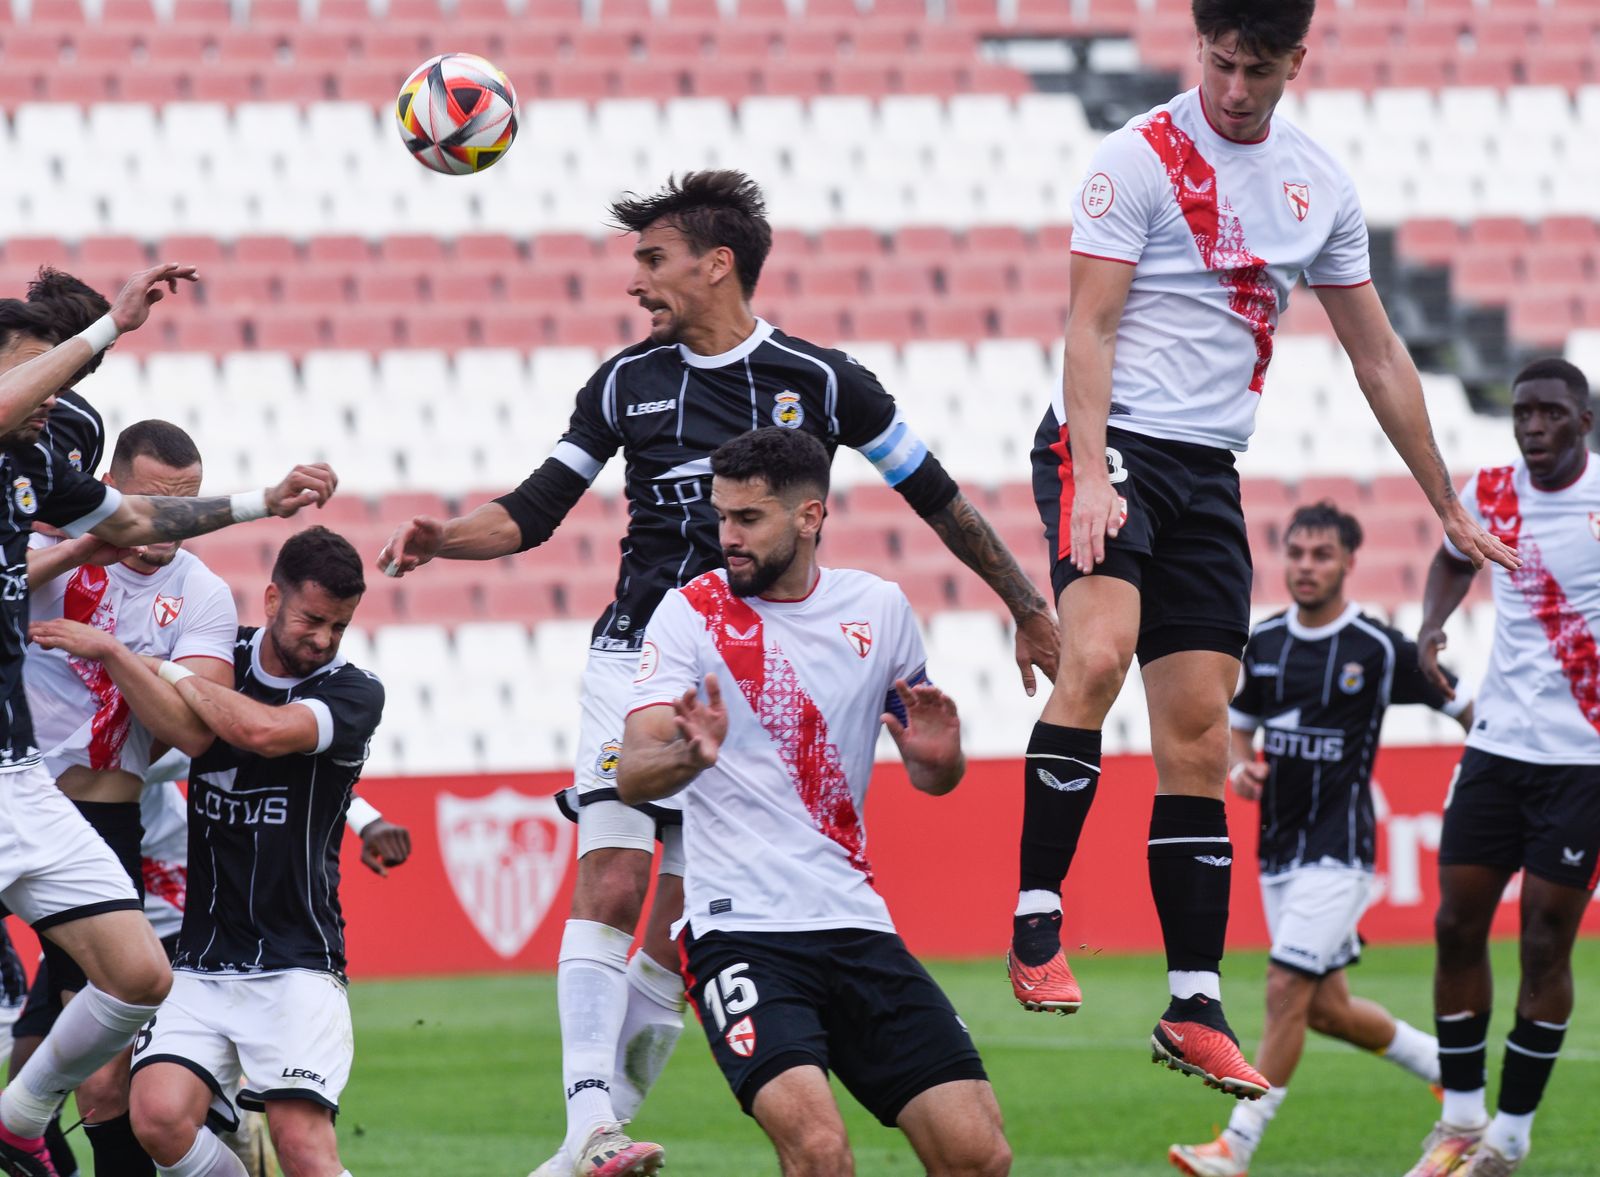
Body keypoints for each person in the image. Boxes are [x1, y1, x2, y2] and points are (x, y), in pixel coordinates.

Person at [374, 170, 1057, 1175]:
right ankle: (587, 1126)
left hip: (761, 679)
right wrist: (448, 539)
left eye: (652, 260)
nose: (635, 282)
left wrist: (1025, 601)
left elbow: (936, 494)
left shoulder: (822, 380)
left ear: (716, 262)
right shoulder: (624, 382)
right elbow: (533, 508)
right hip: (640, 651)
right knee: (611, 873)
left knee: (673, 930)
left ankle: (591, 1152)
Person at [1010, 0, 1516, 1100]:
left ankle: (1193, 1001)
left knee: (1194, 736)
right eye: (1219, 63)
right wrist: (1088, 472)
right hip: (1108, 443)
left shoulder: (1318, 188)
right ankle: (1034, 917)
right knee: (1095, 657)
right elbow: (1086, 328)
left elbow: (1376, 353)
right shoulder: (1135, 157)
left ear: (1295, 60)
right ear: (1201, 49)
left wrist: (1442, 498)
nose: (1234, 88)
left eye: (1257, 70)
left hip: (1206, 471)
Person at [0, 269, 340, 1177]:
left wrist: (266, 501)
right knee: (54, 1051)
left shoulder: (57, 487)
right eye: (37, 380)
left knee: (121, 1010)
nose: (55, 405)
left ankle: (30, 1120)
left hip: (57, 799)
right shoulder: (41, 521)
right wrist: (110, 326)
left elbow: (195, 727)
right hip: (27, 786)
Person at [618, 427, 1010, 1177]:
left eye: (748, 519)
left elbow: (933, 776)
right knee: (821, 1153)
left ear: (809, 517)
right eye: (721, 516)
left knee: (978, 1152)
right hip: (742, 931)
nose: (726, 536)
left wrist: (940, 760)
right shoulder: (688, 615)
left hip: (855, 922)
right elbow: (634, 772)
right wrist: (684, 755)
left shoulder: (881, 608)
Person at [1168, 502, 1469, 1176]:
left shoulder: (1380, 647)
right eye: (1297, 554)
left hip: (1342, 852)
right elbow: (1240, 725)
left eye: (1321, 555)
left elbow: (1466, 704)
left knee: (1284, 988)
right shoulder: (1266, 643)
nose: (1306, 566)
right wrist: (1242, 765)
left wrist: (1494, 775)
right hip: (1278, 852)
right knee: (1325, 1009)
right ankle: (1453, 1071)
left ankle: (1234, 1147)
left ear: (1348, 562)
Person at [116, 527, 383, 1177]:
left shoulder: (354, 692)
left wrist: (170, 669)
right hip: (204, 957)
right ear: (271, 599)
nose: (322, 640)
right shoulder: (218, 657)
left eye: (339, 626)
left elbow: (262, 731)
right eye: (312, 619)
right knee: (157, 1115)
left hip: (296, 959)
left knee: (301, 1146)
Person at [1401, 359, 1599, 1177]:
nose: (1533, 427)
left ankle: (1509, 1138)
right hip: (1497, 745)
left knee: (1547, 941)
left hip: (1583, 757)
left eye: (1551, 413)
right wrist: (1431, 626)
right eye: (1523, 413)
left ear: (1582, 420)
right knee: (1454, 923)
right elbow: (1457, 556)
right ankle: (1458, 1120)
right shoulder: (1490, 491)